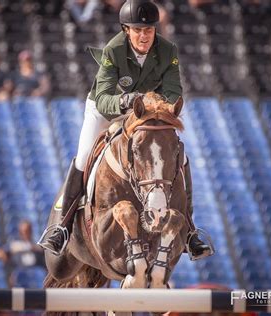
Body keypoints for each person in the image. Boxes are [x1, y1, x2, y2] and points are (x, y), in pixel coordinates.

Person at [38, 0, 213, 260]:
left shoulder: (168, 51)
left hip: (146, 112)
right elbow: (105, 98)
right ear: (126, 30)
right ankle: (62, 226)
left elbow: (174, 89)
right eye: (137, 30)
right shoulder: (113, 50)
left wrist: (155, 104)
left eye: (149, 30)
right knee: (84, 155)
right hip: (106, 109)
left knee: (182, 157)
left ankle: (188, 229)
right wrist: (127, 101)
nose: (144, 36)